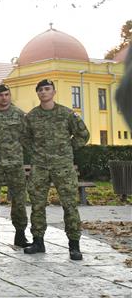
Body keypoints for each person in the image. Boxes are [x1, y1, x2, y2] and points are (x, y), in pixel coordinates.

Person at [23, 79, 90, 260]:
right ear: (37, 94)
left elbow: (83, 134)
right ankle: (38, 241)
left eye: (47, 89)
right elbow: (25, 139)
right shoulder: (31, 116)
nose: (44, 92)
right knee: (37, 205)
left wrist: (67, 149)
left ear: (53, 92)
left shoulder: (67, 114)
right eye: (41, 90)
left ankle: (74, 245)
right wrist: (37, 153)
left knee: (69, 205)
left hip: (63, 167)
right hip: (40, 167)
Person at [0, 84, 31, 247]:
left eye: (6, 94)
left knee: (19, 200)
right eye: (0, 95)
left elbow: (28, 136)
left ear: (10, 96)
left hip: (15, 163)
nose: (4, 98)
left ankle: (20, 235)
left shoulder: (20, 114)